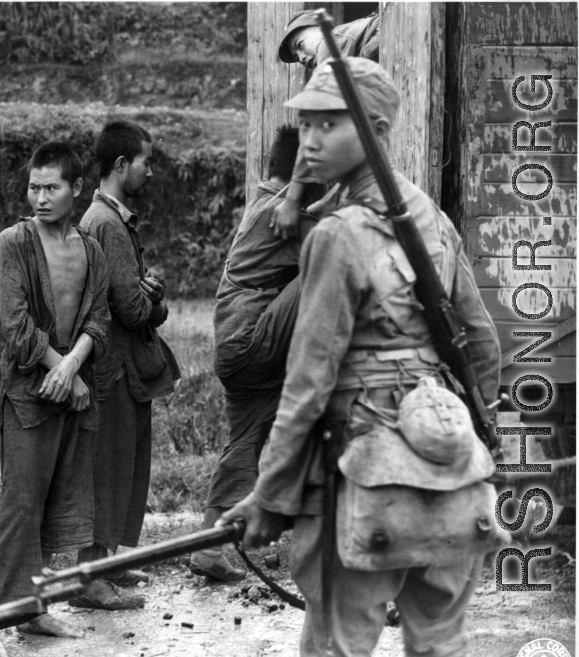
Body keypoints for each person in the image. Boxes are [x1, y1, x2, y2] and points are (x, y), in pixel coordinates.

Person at [221, 58, 502, 656]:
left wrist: (271, 496)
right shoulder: (434, 219)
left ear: (374, 128)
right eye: (307, 125)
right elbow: (481, 345)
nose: (310, 141)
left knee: (336, 648)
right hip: (454, 474)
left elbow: (307, 385)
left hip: (358, 477)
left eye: (329, 124)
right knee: (442, 647)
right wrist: (467, 435)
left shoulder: (337, 234)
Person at [0, 142, 109, 657]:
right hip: (29, 395)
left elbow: (99, 319)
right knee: (21, 505)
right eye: (34, 186)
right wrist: (60, 369)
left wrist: (73, 368)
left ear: (76, 189)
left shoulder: (90, 249)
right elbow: (14, 325)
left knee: (56, 502)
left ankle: (34, 610)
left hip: (69, 392)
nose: (41, 197)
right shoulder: (13, 243)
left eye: (52, 187)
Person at [189, 125, 323, 581]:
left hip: (238, 351)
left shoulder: (263, 201)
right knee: (334, 257)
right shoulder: (279, 212)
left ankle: (208, 548)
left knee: (243, 444)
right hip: (249, 341)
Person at [75, 120, 180, 609]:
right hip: (112, 368)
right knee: (109, 468)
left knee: (124, 464)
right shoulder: (107, 224)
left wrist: (145, 294)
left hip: (122, 367)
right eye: (145, 162)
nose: (151, 172)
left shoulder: (110, 219)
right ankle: (90, 577)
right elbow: (133, 309)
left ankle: (108, 565)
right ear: (121, 166)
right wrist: (155, 301)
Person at [271, 9, 380, 240]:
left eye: (299, 44)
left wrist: (292, 201)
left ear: (321, 28)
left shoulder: (332, 43)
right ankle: (337, 196)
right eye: (296, 55)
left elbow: (318, 124)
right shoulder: (348, 50)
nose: (300, 56)